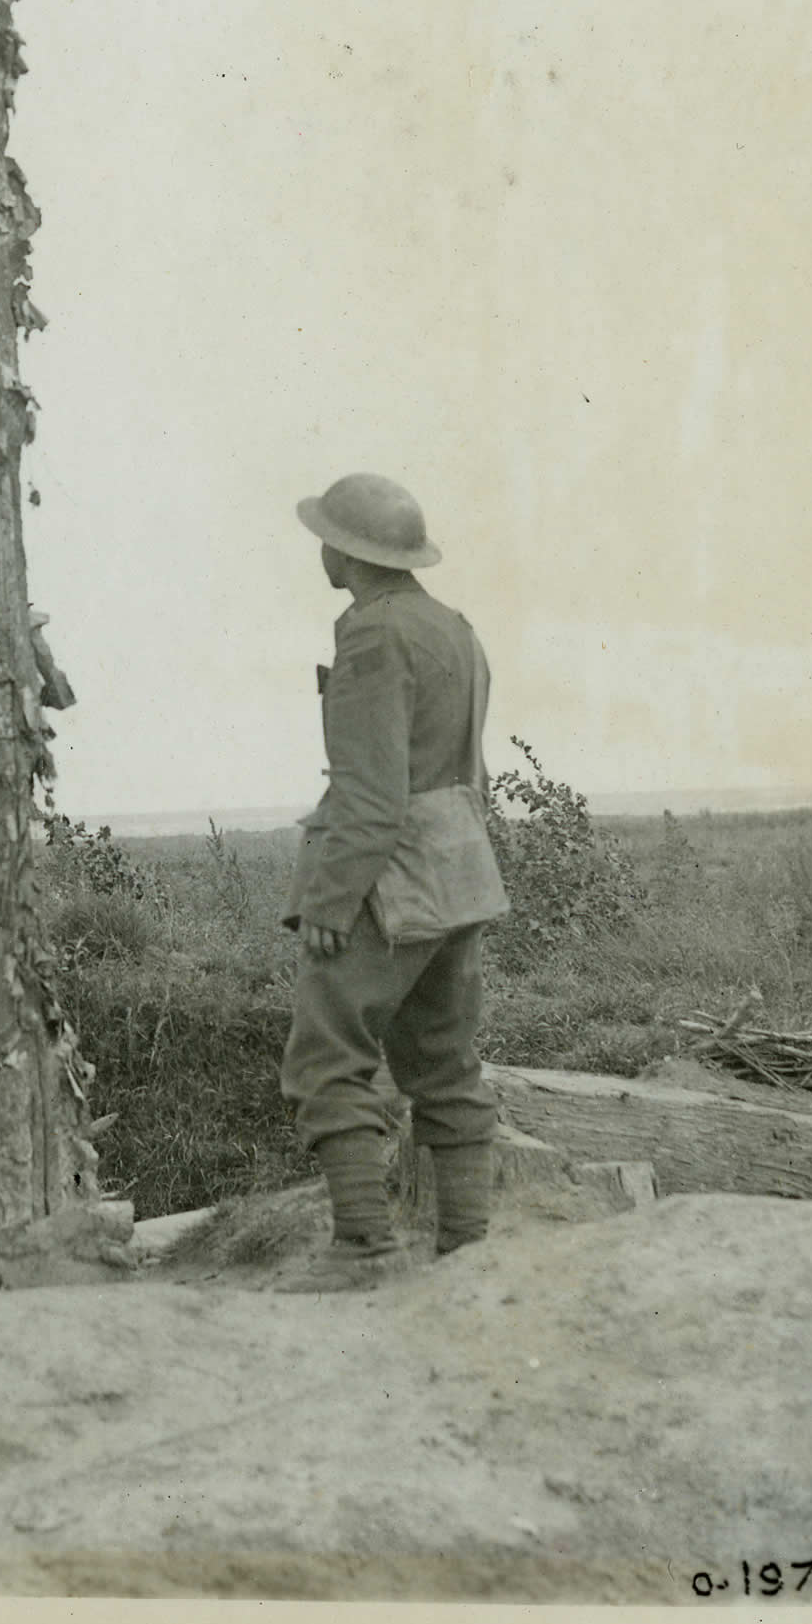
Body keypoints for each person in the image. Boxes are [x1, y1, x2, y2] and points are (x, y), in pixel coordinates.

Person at [277, 472, 509, 1290]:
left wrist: (333, 901)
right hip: (458, 868)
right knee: (446, 1063)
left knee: (327, 1059)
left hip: (387, 878)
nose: (322, 552)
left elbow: (373, 792)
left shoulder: (373, 636)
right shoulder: (455, 627)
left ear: (350, 552)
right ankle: (467, 1249)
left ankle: (364, 1250)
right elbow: (469, 768)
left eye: (328, 540)